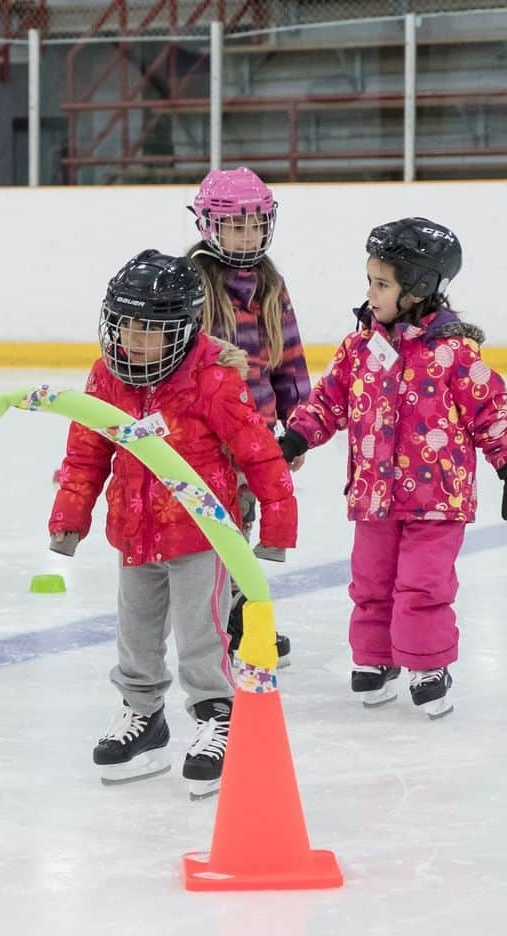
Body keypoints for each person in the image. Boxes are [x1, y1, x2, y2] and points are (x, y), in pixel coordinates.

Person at [48, 250, 297, 798]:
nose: (133, 341)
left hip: (200, 536)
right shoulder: (106, 376)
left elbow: (257, 451)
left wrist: (277, 520)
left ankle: (217, 716)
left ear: (182, 330)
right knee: (135, 633)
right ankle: (145, 717)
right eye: (125, 326)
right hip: (134, 530)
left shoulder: (210, 379)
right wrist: (71, 515)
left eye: (149, 330)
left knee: (201, 633)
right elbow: (86, 452)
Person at [279, 218, 507, 719]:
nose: (371, 293)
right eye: (369, 282)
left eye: (382, 284)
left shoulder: (456, 354)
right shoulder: (358, 350)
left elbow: (491, 411)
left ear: (418, 288)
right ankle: (376, 659)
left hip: (439, 500)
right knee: (371, 582)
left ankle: (426, 663)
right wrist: (296, 435)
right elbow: (327, 402)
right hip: (374, 495)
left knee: (423, 584)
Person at [187, 166, 311, 668]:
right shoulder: (192, 282)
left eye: (255, 223)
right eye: (235, 225)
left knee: (240, 525)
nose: (247, 234)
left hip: (253, 438)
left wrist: (296, 426)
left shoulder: (271, 284)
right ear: (209, 226)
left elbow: (289, 360)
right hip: (200, 437)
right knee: (207, 535)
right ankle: (211, 621)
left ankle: (239, 620)